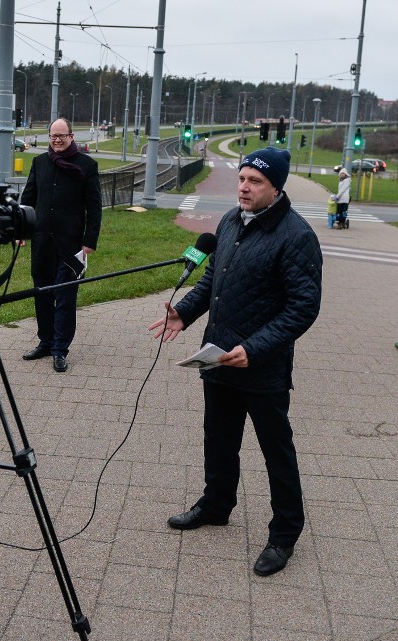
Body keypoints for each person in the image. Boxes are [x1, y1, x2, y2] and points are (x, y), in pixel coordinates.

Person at [148, 147, 322, 577]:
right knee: (219, 438)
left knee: (276, 451)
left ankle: (285, 533)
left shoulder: (296, 236)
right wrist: (184, 312)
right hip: (217, 358)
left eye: (255, 181)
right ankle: (217, 504)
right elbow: (213, 279)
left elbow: (303, 307)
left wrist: (257, 347)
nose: (244, 187)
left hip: (261, 368)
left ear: (276, 187)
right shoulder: (229, 221)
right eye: (241, 178)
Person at [19, 117, 102, 373]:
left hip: (71, 245)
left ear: (71, 136)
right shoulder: (39, 162)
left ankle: (60, 350)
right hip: (42, 241)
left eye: (61, 136)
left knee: (65, 297)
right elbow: (28, 199)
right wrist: (21, 230)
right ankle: (45, 341)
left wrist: (89, 241)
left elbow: (94, 207)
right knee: (42, 294)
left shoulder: (87, 165)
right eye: (53, 136)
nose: (56, 140)